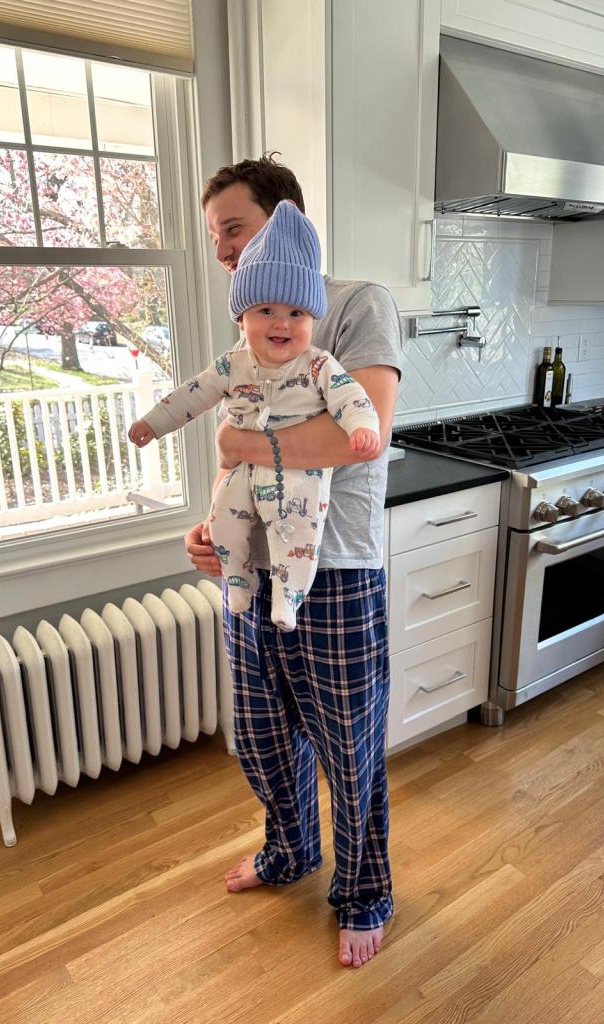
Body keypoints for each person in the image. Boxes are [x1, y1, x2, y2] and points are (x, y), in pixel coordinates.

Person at [193, 156, 401, 970]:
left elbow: (364, 430)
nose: (224, 255)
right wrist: (209, 525)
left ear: (286, 221)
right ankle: (291, 851)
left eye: (234, 231)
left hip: (337, 569)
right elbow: (236, 446)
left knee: (348, 749)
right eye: (216, 242)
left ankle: (364, 892)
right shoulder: (256, 318)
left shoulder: (355, 305)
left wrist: (245, 443)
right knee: (259, 737)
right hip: (252, 570)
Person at [129, 200, 380, 631]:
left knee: (299, 534)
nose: (282, 323)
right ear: (243, 317)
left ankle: (289, 597)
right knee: (224, 522)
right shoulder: (233, 364)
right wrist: (153, 423)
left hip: (300, 479)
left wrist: (362, 428)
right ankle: (238, 582)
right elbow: (192, 394)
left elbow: (352, 399)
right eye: (266, 311)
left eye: (296, 314)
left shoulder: (318, 364)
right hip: (241, 476)